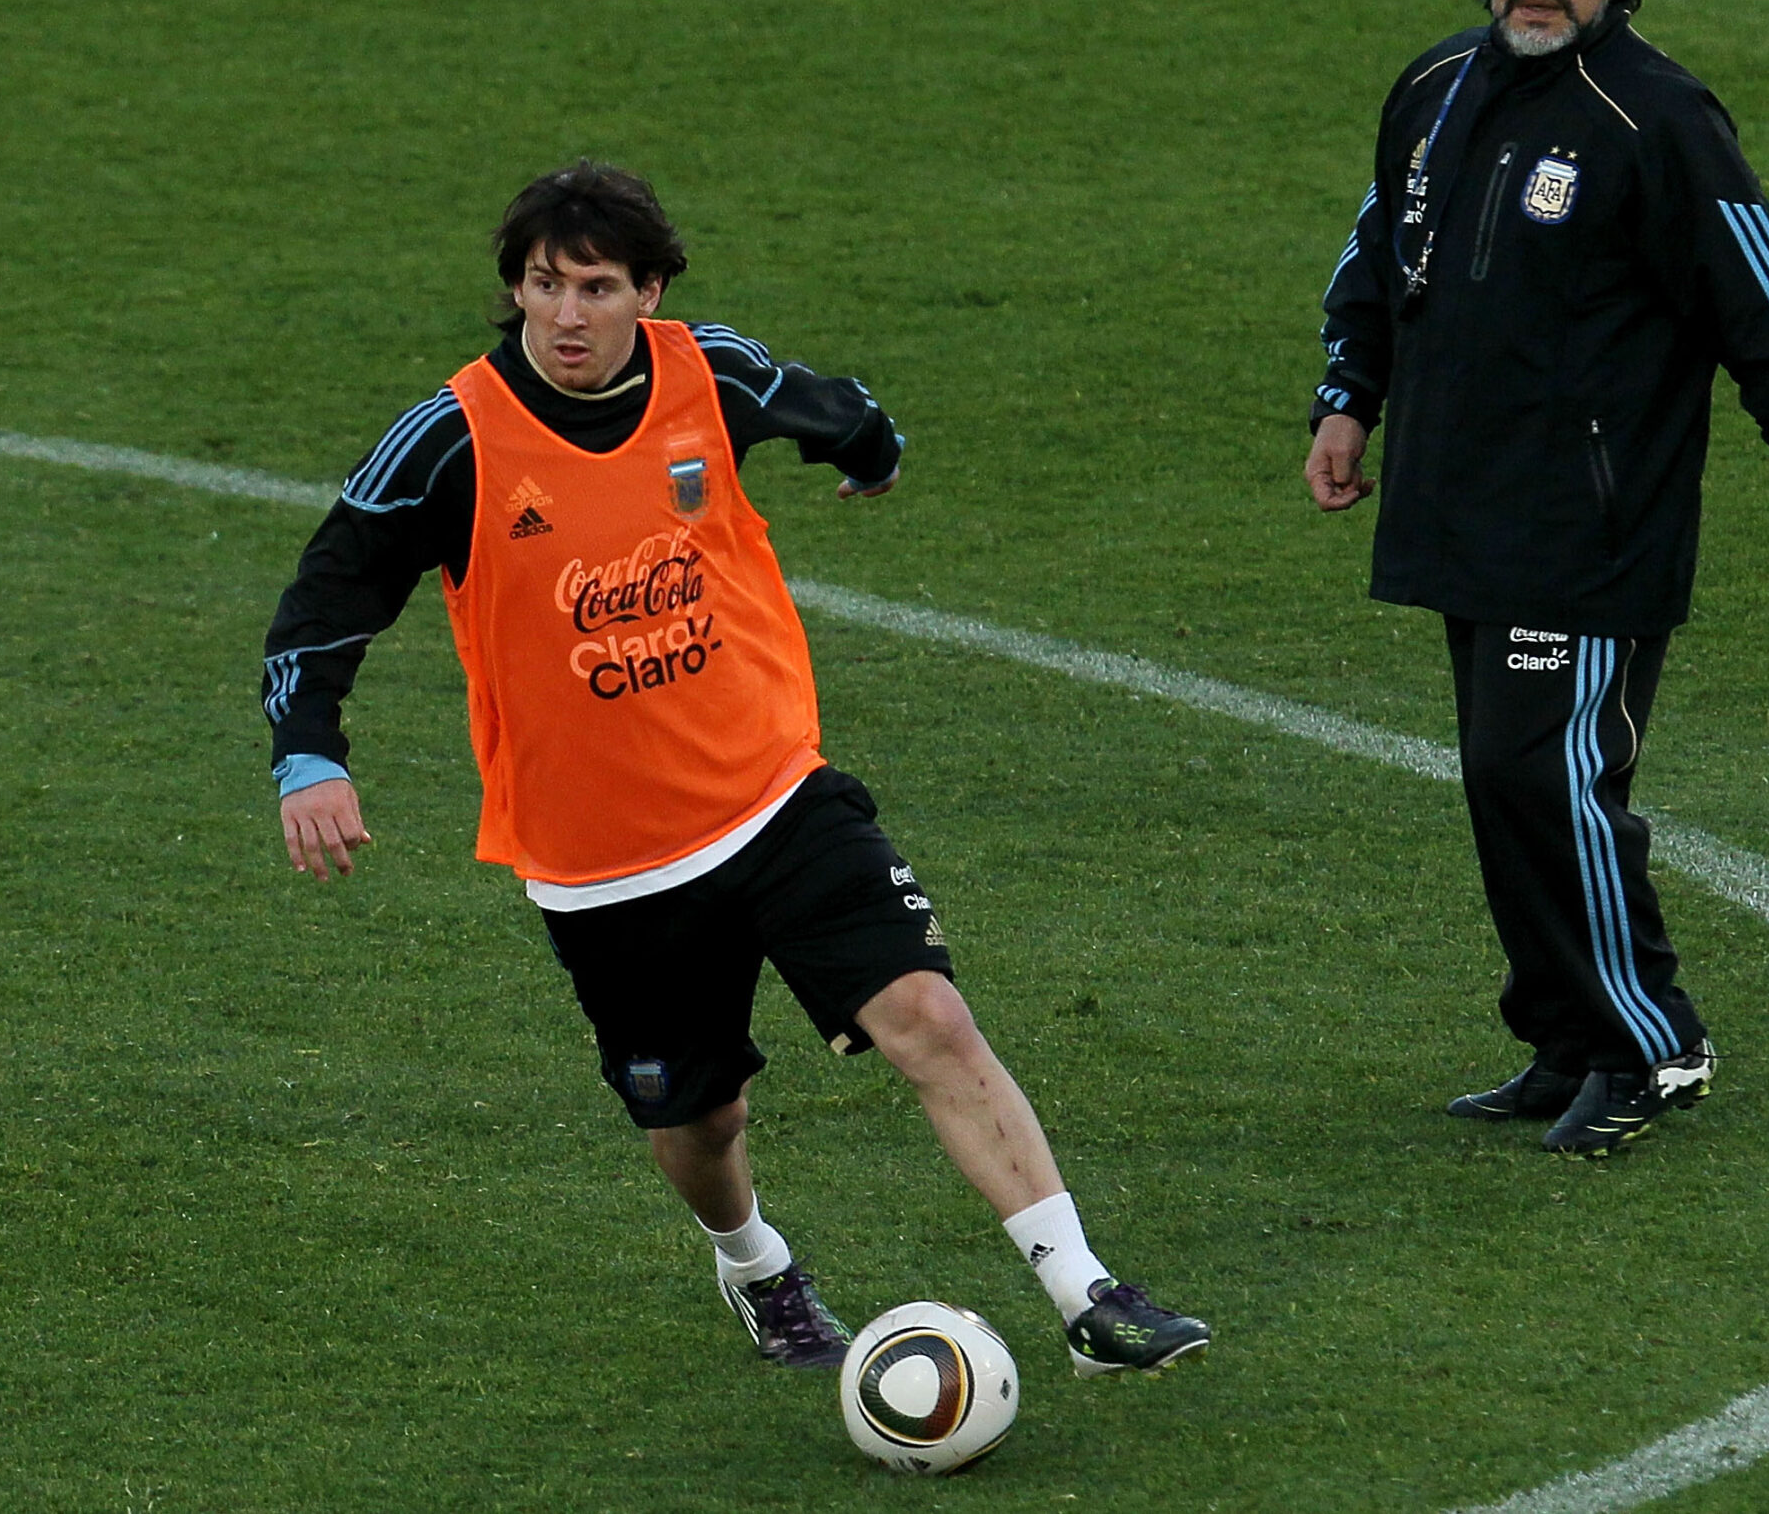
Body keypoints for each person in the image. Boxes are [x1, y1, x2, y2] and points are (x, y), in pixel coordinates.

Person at [264, 159, 1208, 1374]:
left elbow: (834, 410)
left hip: (773, 796)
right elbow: (323, 601)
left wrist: (870, 452)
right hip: (605, 866)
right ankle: (756, 1265)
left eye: (596, 288)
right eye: (543, 285)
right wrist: (309, 755)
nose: (565, 315)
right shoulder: (452, 440)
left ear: (648, 291)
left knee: (929, 1016)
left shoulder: (707, 373)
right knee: (701, 1120)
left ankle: (1087, 1298)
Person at [1303, 0, 1769, 1158]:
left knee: (1550, 775)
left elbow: (1761, 292)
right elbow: (1383, 247)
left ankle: (1651, 1039)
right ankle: (1566, 1035)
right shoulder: (1437, 87)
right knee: (1503, 782)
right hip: (1461, 502)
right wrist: (1348, 396)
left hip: (1591, 522)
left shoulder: (1656, 116)